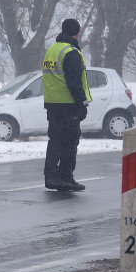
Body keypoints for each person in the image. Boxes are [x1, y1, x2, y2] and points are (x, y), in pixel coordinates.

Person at [42, 18, 92, 192]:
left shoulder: (52, 50)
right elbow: (74, 82)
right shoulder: (71, 52)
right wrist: (82, 103)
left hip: (52, 104)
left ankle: (51, 176)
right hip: (68, 104)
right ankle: (65, 176)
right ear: (76, 34)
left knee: (55, 140)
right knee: (70, 140)